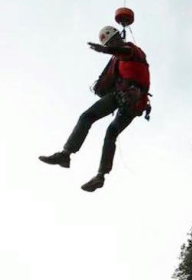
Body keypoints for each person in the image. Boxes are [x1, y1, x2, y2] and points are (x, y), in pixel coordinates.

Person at [39, 25, 150, 192]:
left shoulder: (132, 50)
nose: (113, 44)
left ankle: (67, 155)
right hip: (132, 101)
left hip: (127, 97)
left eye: (114, 40)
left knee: (87, 117)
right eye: (110, 43)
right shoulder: (118, 58)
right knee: (110, 132)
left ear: (119, 38)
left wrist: (105, 50)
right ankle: (99, 175)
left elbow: (125, 52)